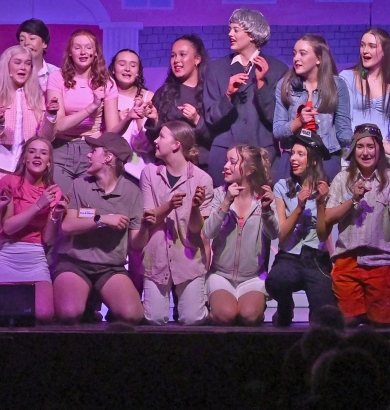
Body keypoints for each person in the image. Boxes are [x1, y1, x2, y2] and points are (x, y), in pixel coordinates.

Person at [53, 132, 146, 324]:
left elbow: (136, 244)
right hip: (75, 263)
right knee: (69, 313)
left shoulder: (133, 192)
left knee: (132, 315)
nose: (88, 154)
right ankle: (86, 303)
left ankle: (99, 299)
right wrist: (102, 219)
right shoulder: (80, 185)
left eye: (94, 151)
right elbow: (67, 226)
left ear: (108, 157)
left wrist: (146, 226)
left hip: (110, 267)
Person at [321, 124, 390, 327]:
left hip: (382, 259)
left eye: (370, 146)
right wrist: (353, 199)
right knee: (348, 321)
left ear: (379, 149)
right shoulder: (342, 179)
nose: (365, 152)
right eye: (360, 146)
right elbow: (328, 218)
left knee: (381, 322)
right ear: (353, 149)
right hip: (348, 260)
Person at [136, 119, 212, 325]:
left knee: (191, 319)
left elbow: (196, 229)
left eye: (162, 136)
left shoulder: (202, 179)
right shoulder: (149, 173)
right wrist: (169, 206)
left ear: (176, 144)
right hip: (157, 257)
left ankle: (205, 303)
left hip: (187, 258)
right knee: (155, 318)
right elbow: (149, 217)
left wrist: (194, 208)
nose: (155, 141)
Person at [201, 8, 279, 185]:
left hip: (261, 157)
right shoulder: (217, 69)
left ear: (252, 34)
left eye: (236, 30)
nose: (230, 34)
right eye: (230, 29)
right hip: (224, 158)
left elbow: (277, 119)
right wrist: (228, 95)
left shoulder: (276, 69)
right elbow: (211, 117)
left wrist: (262, 86)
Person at [0, 136, 61, 322]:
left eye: (43, 153)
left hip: (35, 256)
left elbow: (48, 239)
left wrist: (56, 215)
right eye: (32, 151)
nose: (37, 156)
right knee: (6, 313)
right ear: (24, 158)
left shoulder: (53, 191)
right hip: (8, 254)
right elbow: (8, 227)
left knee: (45, 315)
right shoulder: (9, 182)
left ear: (49, 162)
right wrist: (38, 205)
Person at [202, 144, 276, 325]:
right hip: (221, 275)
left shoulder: (263, 197)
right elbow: (208, 231)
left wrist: (267, 211)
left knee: (249, 316)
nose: (225, 166)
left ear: (249, 170)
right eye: (226, 161)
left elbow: (274, 234)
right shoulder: (219, 194)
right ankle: (210, 309)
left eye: (232, 162)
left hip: (253, 277)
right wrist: (226, 202)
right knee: (225, 315)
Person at [265, 135, 333, 326]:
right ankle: (285, 307)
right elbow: (282, 233)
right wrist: (299, 207)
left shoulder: (326, 189)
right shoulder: (282, 187)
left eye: (300, 154)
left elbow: (324, 234)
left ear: (313, 160)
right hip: (290, 255)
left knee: (323, 319)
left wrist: (320, 203)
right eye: (293, 153)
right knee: (275, 281)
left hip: (316, 257)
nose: (293, 158)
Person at [273, 33, 350, 179]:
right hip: (293, 157)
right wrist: (298, 122)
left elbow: (343, 131)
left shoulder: (337, 85)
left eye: (302, 53)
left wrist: (363, 140)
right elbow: (278, 131)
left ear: (319, 59)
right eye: (294, 53)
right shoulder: (285, 86)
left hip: (326, 156)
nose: (296, 58)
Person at [0, 45, 50, 193]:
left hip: (28, 170)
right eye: (17, 62)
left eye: (28, 63)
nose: (23, 67)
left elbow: (45, 138)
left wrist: (52, 116)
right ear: (7, 66)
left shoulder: (38, 96)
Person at [48, 29, 109, 186]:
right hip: (61, 147)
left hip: (92, 148)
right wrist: (92, 106)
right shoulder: (57, 78)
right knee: (61, 198)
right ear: (70, 52)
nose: (83, 52)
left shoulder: (106, 81)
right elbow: (59, 125)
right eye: (77, 47)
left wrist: (128, 118)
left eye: (88, 47)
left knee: (87, 199)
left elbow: (112, 128)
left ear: (95, 52)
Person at [147, 34, 212, 174]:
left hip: (202, 168)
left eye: (183, 55)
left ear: (197, 59)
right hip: (169, 168)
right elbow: (155, 140)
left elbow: (218, 135)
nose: (176, 60)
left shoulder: (210, 91)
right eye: (173, 56)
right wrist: (154, 120)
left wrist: (197, 120)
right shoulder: (164, 93)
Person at [337, 27, 390, 156]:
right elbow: (344, 126)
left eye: (372, 46)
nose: (365, 50)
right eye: (362, 45)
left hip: (384, 152)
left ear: (385, 51)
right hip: (354, 149)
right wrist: (376, 145)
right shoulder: (347, 77)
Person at [101, 48, 152, 178]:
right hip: (111, 164)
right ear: (113, 69)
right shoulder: (104, 96)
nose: (127, 69)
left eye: (133, 65)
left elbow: (149, 138)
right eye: (122, 64)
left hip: (141, 165)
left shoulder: (148, 97)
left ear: (138, 72)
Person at [16, 18, 62, 93]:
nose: (26, 43)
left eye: (32, 38)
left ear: (44, 43)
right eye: (22, 40)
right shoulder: (14, 72)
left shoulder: (56, 73)